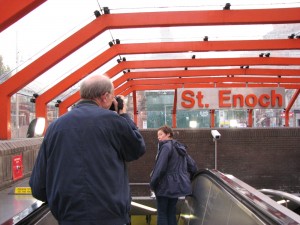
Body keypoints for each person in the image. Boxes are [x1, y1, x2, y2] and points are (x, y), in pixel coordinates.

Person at [29, 74, 146, 225]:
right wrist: (123, 114)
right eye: (112, 96)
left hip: (68, 217)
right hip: (110, 217)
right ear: (104, 96)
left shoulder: (55, 127)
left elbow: (38, 185)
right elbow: (136, 148)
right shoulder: (113, 121)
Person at [150, 125, 198, 225]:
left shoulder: (166, 147)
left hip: (164, 186)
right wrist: (190, 178)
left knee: (162, 213)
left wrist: (153, 184)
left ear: (168, 134)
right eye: (157, 135)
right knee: (171, 212)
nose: (158, 137)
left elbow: (160, 169)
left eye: (161, 134)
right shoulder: (180, 147)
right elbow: (192, 166)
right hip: (177, 186)